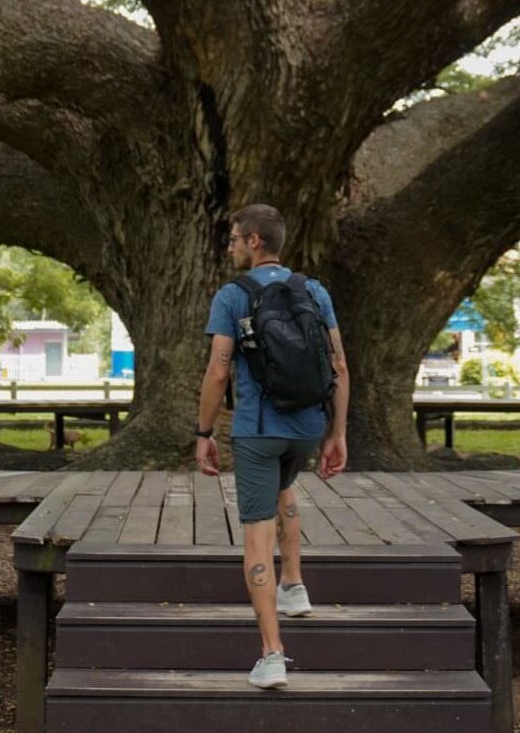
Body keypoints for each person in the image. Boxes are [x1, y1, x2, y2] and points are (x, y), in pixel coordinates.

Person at [195, 202, 349, 691]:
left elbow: (219, 369)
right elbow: (340, 367)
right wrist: (336, 433)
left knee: (256, 535)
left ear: (255, 241)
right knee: (287, 488)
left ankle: (273, 654)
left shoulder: (233, 296)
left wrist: (203, 435)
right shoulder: (314, 290)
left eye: (235, 238)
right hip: (305, 428)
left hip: (258, 429)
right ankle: (294, 586)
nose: (230, 246)